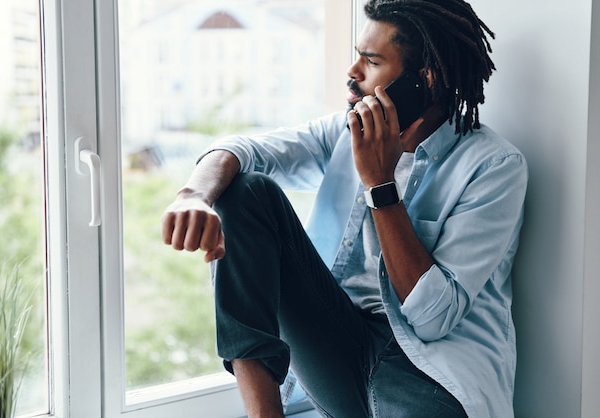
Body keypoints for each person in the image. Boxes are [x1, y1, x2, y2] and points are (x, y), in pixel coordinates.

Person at [161, 0, 528, 417]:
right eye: (358, 55)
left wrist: (380, 184)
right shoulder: (343, 130)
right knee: (245, 192)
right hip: (337, 349)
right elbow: (244, 150)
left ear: (424, 80)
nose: (353, 73)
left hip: (428, 373)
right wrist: (194, 195)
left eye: (371, 61)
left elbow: (432, 321)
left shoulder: (494, 166)